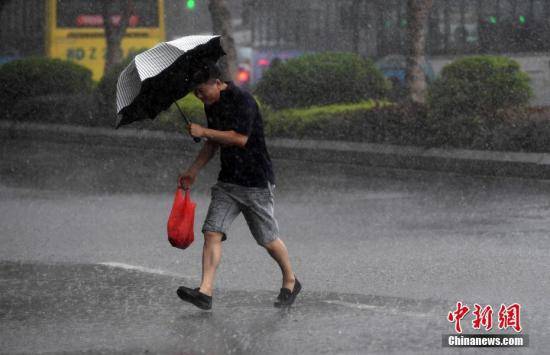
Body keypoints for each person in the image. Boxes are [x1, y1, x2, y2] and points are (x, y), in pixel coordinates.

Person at [175, 61, 301, 310]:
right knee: (212, 231)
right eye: (196, 93)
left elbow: (239, 138)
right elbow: (212, 144)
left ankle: (291, 279)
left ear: (218, 83)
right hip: (229, 181)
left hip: (255, 181)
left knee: (267, 239)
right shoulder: (212, 104)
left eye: (202, 90)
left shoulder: (244, 100)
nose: (200, 97)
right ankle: (205, 292)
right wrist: (193, 171)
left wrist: (205, 131)